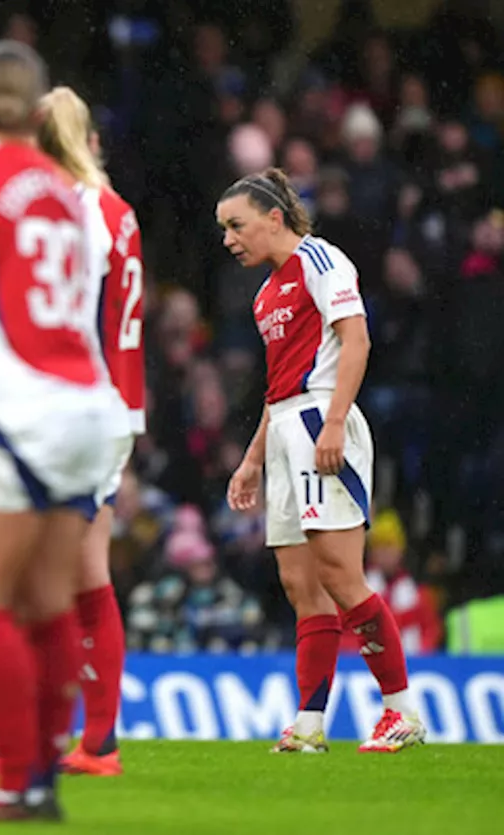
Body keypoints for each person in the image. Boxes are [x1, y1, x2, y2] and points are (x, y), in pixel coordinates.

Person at [0, 42, 130, 823]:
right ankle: (38, 784)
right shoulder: (71, 189)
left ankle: (15, 777)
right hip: (89, 408)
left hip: (19, 411)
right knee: (46, 604)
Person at [218, 167, 426, 753]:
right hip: (285, 426)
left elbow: (355, 340)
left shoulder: (320, 259)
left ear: (274, 218)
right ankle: (310, 723)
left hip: (319, 421)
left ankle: (401, 710)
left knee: (339, 574)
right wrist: (252, 459)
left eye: (236, 225)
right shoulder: (266, 293)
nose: (229, 239)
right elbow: (276, 385)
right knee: (299, 583)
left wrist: (334, 421)